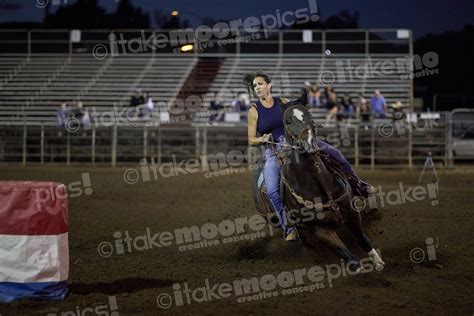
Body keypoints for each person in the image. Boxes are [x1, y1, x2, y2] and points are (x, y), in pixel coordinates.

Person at [245, 72, 373, 242]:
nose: (257, 88)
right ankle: (287, 226)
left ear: (269, 85)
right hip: (275, 150)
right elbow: (251, 139)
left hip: (299, 143)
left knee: (336, 154)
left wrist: (307, 126)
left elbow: (297, 118)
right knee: (272, 189)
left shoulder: (282, 102)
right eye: (255, 86)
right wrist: (262, 138)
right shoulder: (254, 111)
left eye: (260, 84)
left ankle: (358, 185)